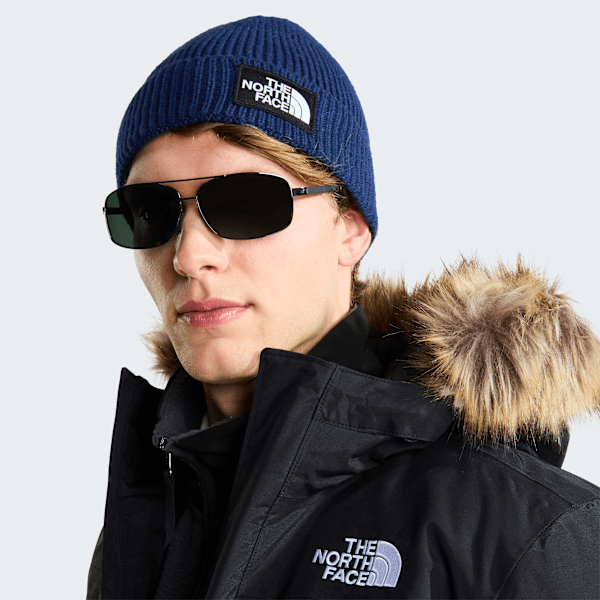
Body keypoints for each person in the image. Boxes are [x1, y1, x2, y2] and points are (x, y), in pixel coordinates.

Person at [88, 15, 600, 600]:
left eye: (244, 203)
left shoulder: (524, 533)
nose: (188, 256)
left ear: (351, 229)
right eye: (151, 212)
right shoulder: (146, 520)